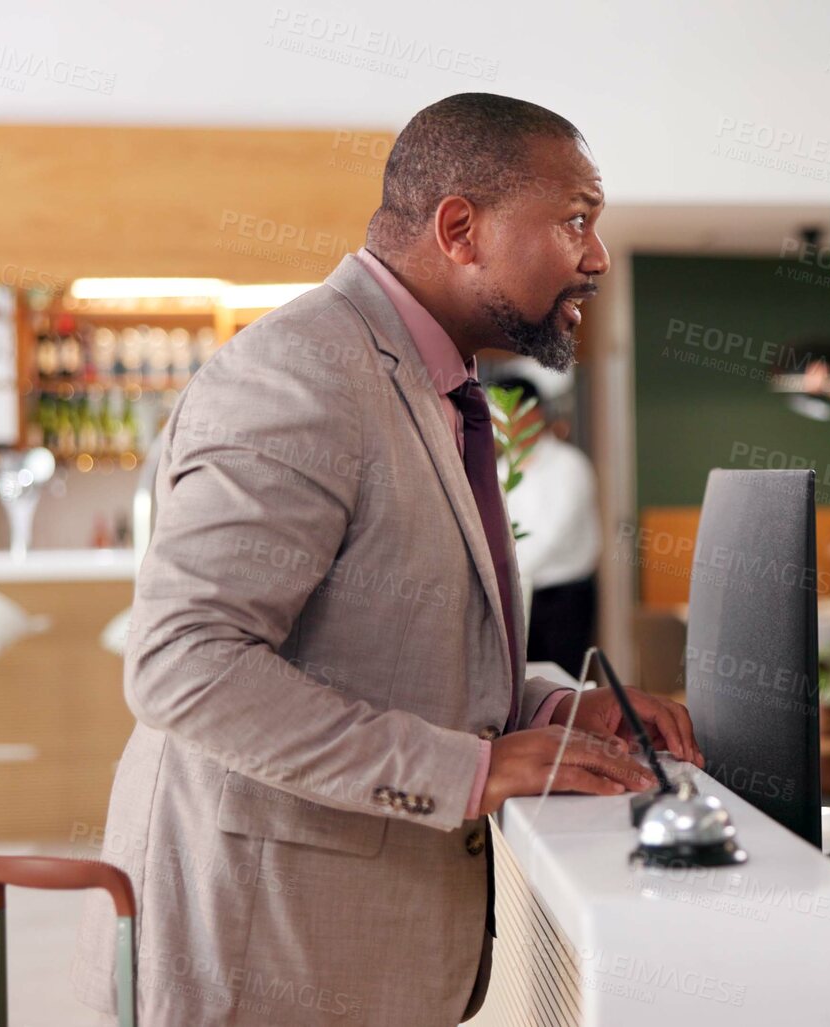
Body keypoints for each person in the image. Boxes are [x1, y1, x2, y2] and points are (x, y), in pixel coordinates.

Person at [73, 94, 701, 1026]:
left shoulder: (431, 384)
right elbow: (184, 664)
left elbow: (385, 646)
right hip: (259, 954)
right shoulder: (301, 373)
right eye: (577, 219)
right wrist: (476, 773)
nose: (596, 256)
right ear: (460, 228)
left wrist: (552, 705)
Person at [494, 359, 600, 671]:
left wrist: (502, 576)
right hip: (517, 596)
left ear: (534, 413)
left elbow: (551, 537)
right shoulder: (499, 470)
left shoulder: (569, 466)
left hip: (562, 600)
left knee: (561, 686)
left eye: (507, 413)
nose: (501, 424)